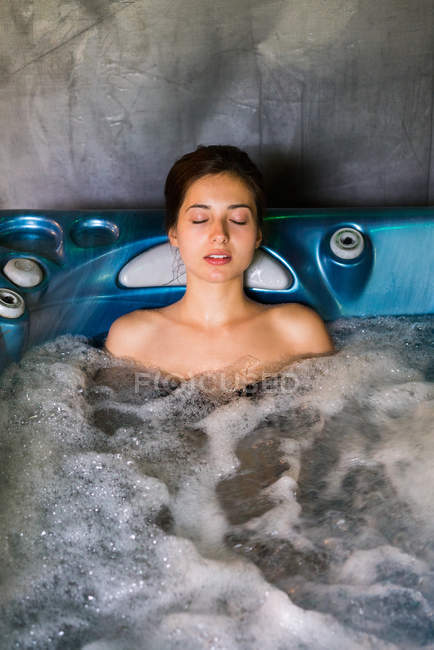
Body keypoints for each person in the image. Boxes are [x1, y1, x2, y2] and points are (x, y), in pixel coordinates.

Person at [104, 145, 334, 390]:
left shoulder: (298, 332)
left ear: (257, 234)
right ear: (173, 232)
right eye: (200, 219)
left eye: (238, 220)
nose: (219, 235)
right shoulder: (132, 338)